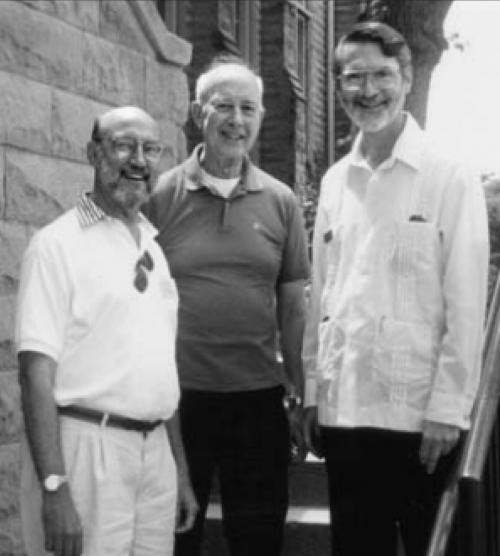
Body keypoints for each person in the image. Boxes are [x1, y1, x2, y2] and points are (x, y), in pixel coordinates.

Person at [302, 21, 489, 556]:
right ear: (338, 87)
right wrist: (315, 395)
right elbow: (324, 300)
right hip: (345, 413)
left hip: (417, 421)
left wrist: (447, 410)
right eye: (353, 77)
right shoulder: (337, 182)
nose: (368, 90)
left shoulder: (448, 177)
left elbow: (466, 302)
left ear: (406, 79)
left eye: (381, 75)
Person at [144, 57, 309, 556]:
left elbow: (293, 306)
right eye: (224, 107)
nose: (237, 120)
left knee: (257, 538)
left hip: (256, 396)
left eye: (249, 108)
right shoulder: (159, 193)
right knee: (175, 538)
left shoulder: (282, 202)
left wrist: (300, 389)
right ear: (198, 113)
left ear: (260, 118)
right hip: (176, 399)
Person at [15, 106, 198, 556]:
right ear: (93, 154)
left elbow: (160, 368)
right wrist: (54, 487)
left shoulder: (153, 247)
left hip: (154, 456)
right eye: (123, 145)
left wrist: (179, 470)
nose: (138, 159)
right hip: (88, 453)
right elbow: (35, 373)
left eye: (150, 149)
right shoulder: (56, 246)